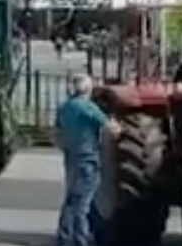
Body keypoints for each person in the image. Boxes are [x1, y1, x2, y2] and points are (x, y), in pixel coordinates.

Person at [54, 73, 121, 246]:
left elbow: (57, 134)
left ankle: (64, 236)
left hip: (71, 157)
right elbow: (111, 129)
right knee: (83, 202)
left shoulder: (64, 108)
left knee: (71, 198)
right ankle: (80, 239)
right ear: (88, 89)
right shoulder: (88, 108)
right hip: (88, 157)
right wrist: (118, 125)